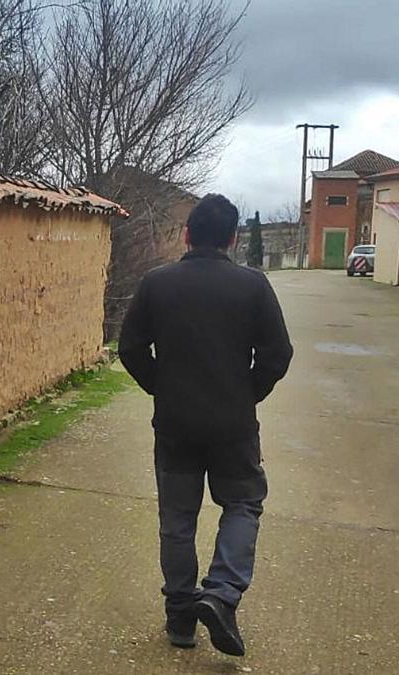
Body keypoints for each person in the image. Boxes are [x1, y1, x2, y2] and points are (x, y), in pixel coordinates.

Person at [118, 194, 293, 657]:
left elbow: (130, 348)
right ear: (233, 238)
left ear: (188, 234)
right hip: (233, 426)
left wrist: (161, 388)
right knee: (243, 504)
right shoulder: (253, 286)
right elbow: (278, 354)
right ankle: (220, 594)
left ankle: (180, 618)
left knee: (177, 520)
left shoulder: (157, 284)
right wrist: (247, 393)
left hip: (175, 424)